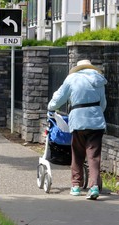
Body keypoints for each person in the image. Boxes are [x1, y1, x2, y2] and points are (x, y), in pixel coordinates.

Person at [48, 59, 107, 200]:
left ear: (78, 68)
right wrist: (96, 113)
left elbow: (59, 98)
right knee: (94, 155)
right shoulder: (99, 80)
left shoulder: (72, 78)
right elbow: (103, 103)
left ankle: (75, 186)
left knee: (77, 152)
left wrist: (51, 107)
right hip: (96, 120)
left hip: (78, 120)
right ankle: (93, 187)